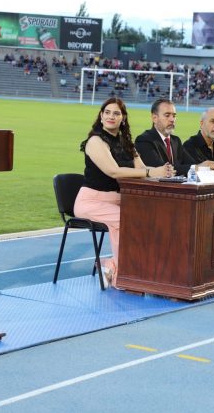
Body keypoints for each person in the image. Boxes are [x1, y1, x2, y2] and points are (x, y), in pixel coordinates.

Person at [74, 98, 172, 288]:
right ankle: (124, 275)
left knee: (149, 218)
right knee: (124, 219)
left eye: (116, 113)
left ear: (123, 118)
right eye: (107, 112)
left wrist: (163, 171)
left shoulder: (127, 143)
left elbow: (141, 169)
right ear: (101, 116)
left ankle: (117, 266)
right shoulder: (95, 141)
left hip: (119, 201)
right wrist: (151, 172)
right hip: (91, 202)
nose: (111, 116)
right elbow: (114, 171)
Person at [135, 99, 191, 176]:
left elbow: (189, 163)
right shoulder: (144, 140)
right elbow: (161, 169)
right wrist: (195, 168)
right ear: (154, 118)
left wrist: (200, 166)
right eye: (167, 115)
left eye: (174, 116)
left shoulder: (176, 141)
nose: (172, 119)